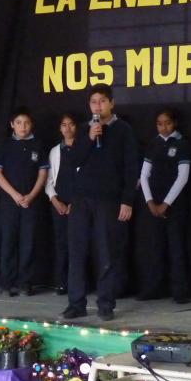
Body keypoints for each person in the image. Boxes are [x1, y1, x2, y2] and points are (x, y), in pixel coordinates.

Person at [62, 83, 139, 322]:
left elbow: (131, 168)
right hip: (81, 199)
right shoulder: (85, 129)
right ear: (89, 105)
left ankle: (105, 304)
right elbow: (73, 160)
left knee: (106, 253)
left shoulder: (123, 130)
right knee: (77, 252)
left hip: (109, 200)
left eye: (103, 101)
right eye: (94, 102)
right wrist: (88, 138)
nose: (98, 106)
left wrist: (127, 201)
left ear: (111, 103)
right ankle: (76, 304)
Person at [0, 107, 48, 296]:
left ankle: (25, 283)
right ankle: (6, 282)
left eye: (26, 123)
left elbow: (43, 173)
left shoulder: (38, 145)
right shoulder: (5, 146)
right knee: (9, 240)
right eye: (18, 123)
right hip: (10, 202)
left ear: (31, 125)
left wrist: (31, 195)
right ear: (12, 125)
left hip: (31, 202)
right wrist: (15, 195)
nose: (23, 127)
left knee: (28, 242)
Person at [137, 107, 191, 304]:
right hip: (153, 203)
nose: (164, 127)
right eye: (160, 124)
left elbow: (182, 177)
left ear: (174, 123)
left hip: (174, 205)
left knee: (176, 248)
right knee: (154, 247)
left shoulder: (182, 144)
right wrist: (150, 202)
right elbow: (144, 175)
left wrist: (165, 204)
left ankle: (179, 292)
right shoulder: (153, 144)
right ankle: (153, 288)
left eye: (167, 123)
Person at [45, 112, 77, 295]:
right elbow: (49, 180)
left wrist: (75, 203)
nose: (68, 128)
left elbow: (85, 177)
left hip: (78, 204)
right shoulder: (55, 151)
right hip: (59, 204)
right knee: (61, 244)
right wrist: (55, 200)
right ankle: (62, 282)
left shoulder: (82, 148)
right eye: (64, 125)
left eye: (71, 124)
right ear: (60, 128)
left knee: (77, 244)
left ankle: (77, 282)